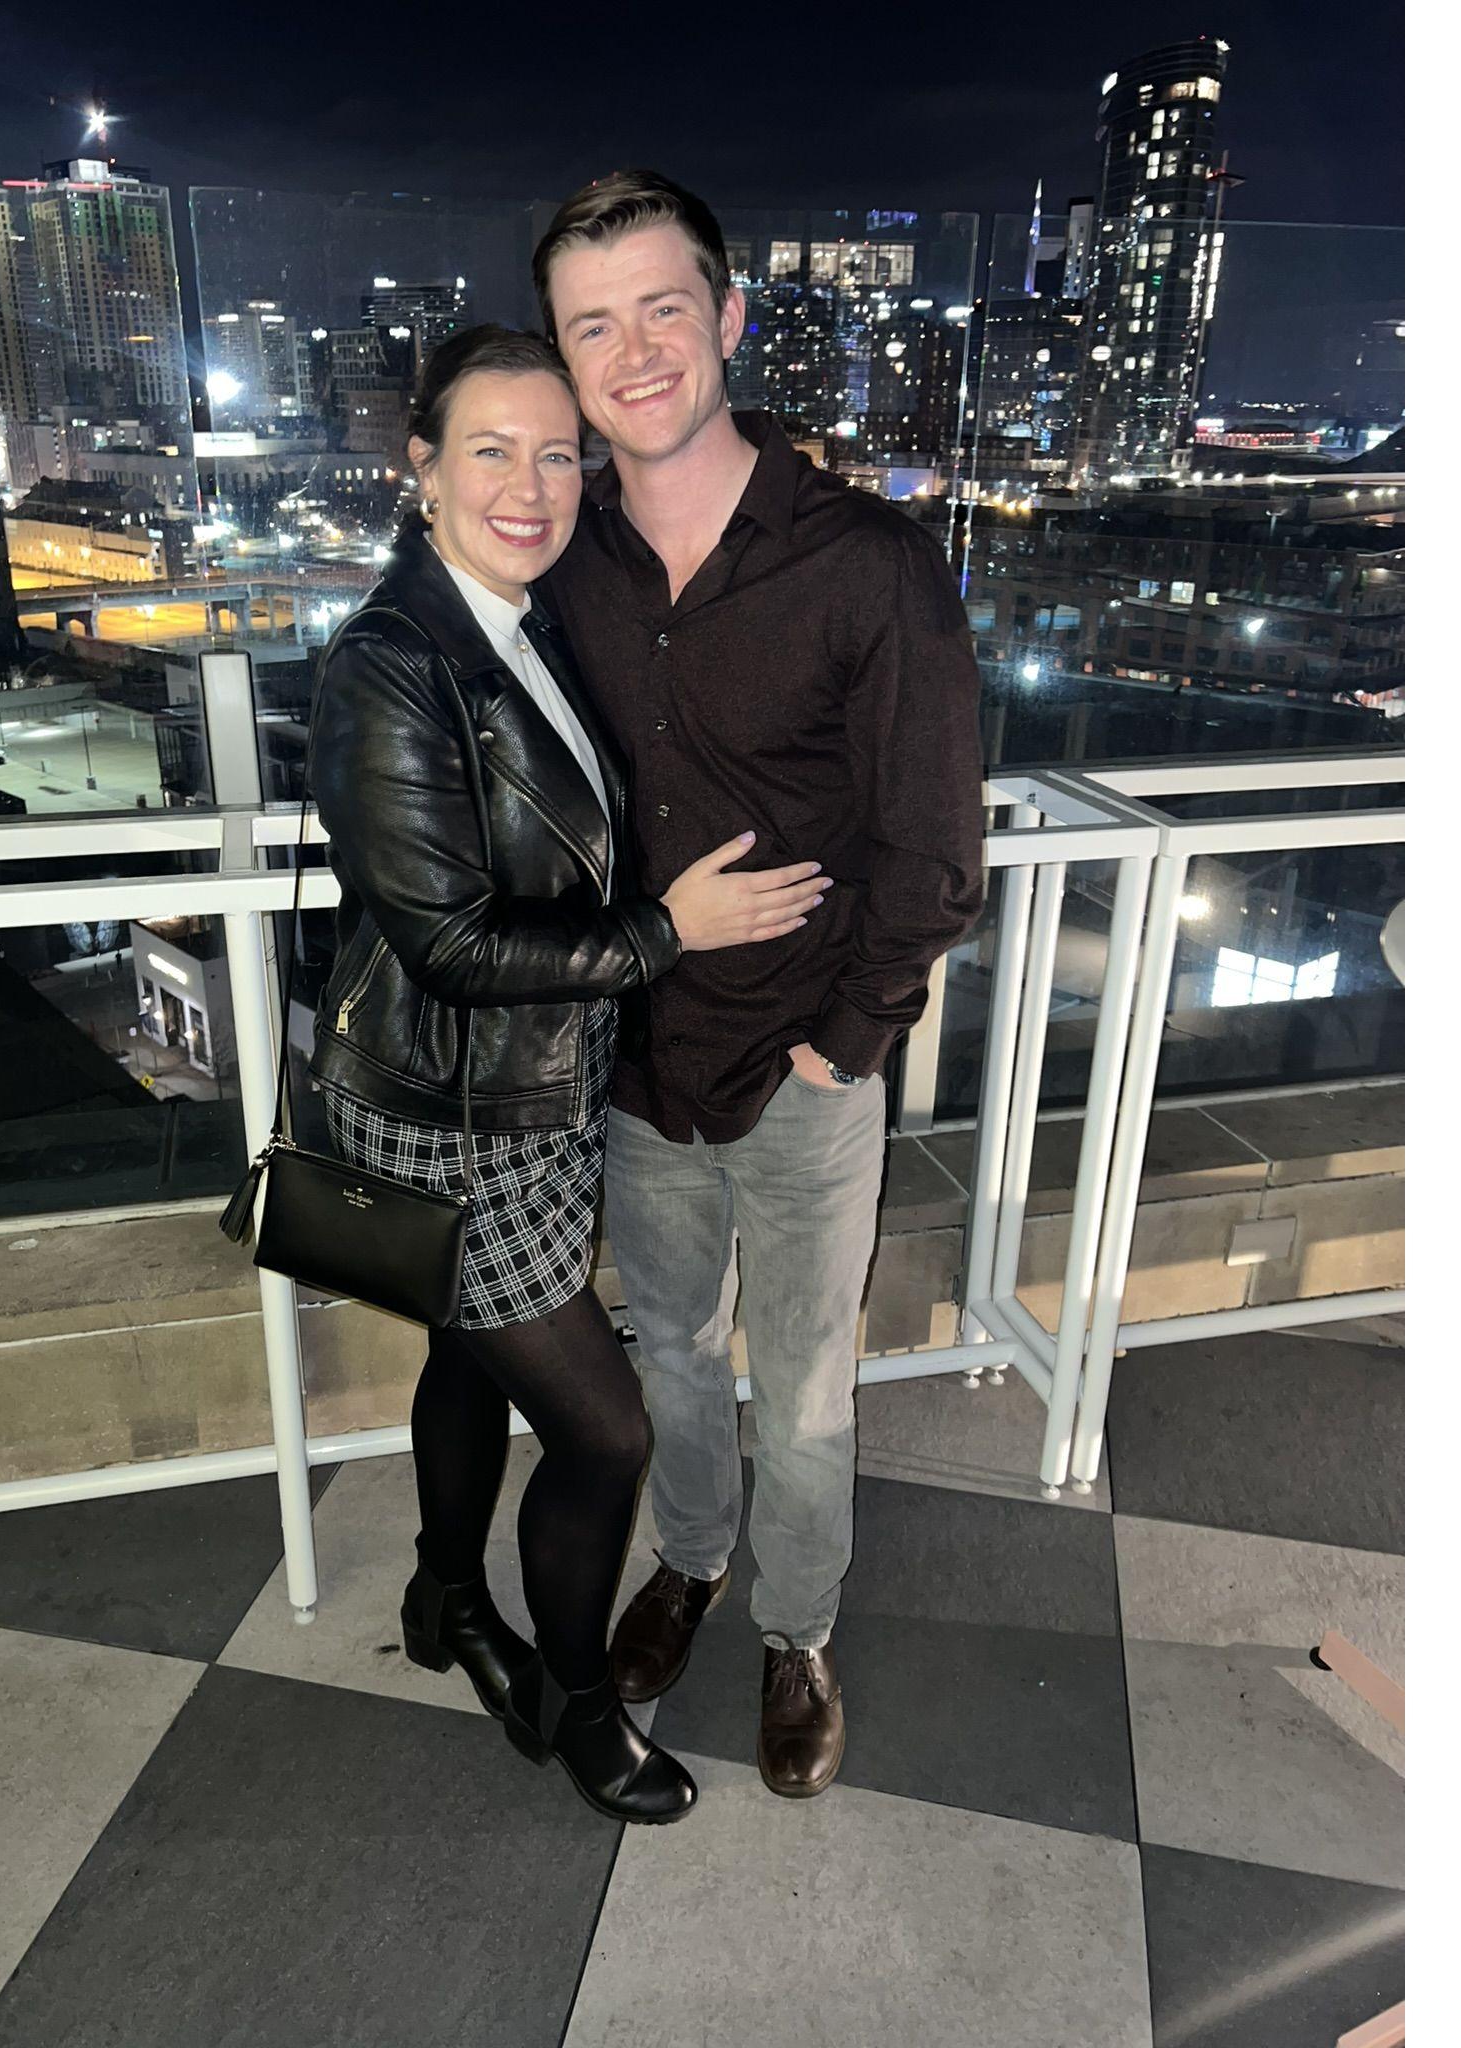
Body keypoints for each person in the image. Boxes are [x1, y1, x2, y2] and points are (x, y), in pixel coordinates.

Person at [304, 324, 827, 1824]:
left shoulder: (518, 624)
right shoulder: (392, 664)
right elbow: (454, 942)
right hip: (453, 1119)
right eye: (492, 451)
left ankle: (445, 1598)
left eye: (556, 453)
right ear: (421, 468)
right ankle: (579, 1706)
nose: (532, 485)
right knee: (605, 1430)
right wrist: (673, 931)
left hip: (525, 1090)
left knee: (464, 1357)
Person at [533, 172, 989, 1799]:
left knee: (802, 1392)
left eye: (663, 309)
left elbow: (935, 844)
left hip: (802, 1065)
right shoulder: (563, 560)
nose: (635, 352)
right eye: (593, 326)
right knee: (667, 1353)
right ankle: (694, 1559)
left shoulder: (866, 563)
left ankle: (798, 1631)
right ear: (565, 362)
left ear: (727, 318)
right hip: (640, 1062)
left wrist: (845, 1043)